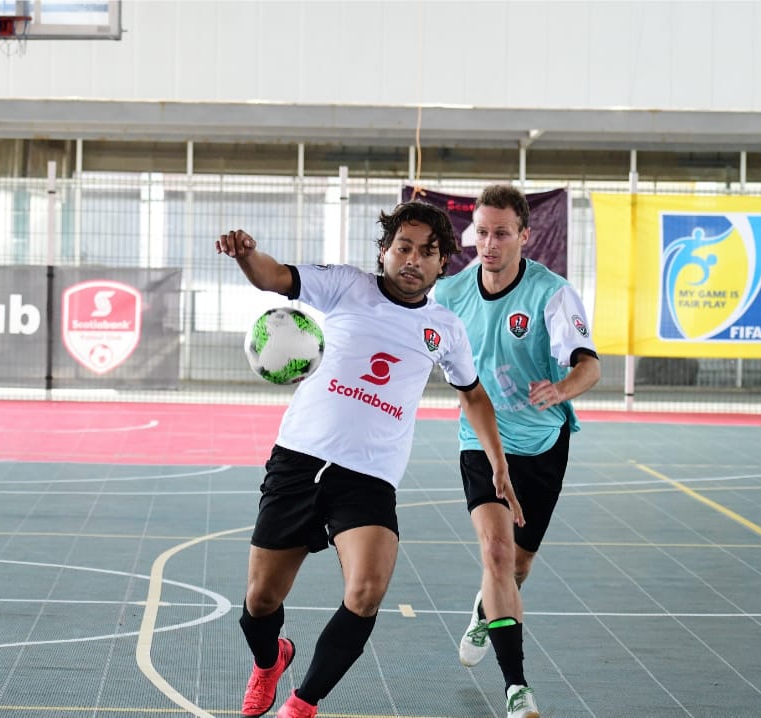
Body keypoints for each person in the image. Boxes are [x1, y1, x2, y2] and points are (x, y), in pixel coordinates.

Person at [216, 200, 523, 718]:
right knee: (260, 603)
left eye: (427, 252)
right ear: (384, 251)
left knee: (366, 592)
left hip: (370, 476)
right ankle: (271, 660)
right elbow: (273, 276)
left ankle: (302, 703)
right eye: (403, 247)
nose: (413, 259)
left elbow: (472, 393)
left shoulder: (445, 328)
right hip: (300, 459)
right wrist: (246, 254)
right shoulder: (345, 286)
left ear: (442, 263)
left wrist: (498, 461)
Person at [433, 184, 600, 718]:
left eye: (502, 233)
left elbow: (589, 365)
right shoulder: (450, 294)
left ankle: (488, 609)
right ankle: (517, 689)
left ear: (524, 236)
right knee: (497, 555)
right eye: (481, 232)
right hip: (481, 441)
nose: (490, 243)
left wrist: (561, 389)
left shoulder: (551, 293)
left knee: (518, 567)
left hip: (542, 443)